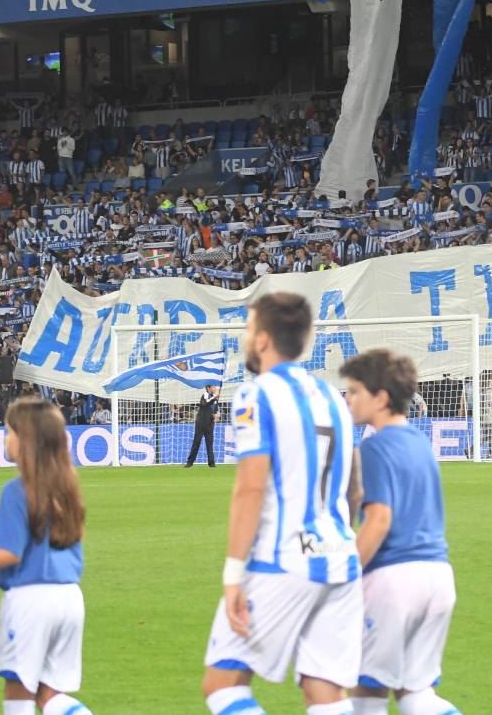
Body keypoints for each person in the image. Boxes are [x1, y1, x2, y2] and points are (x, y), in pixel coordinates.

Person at [201, 292, 363, 715]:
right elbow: (354, 489)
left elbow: (250, 488)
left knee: (224, 685)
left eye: (249, 328)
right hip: (341, 557)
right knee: (325, 694)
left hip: (284, 559)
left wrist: (233, 574)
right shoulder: (335, 399)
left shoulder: (256, 395)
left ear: (262, 339)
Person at [339, 350, 459, 715]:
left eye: (355, 391)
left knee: (367, 694)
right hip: (438, 577)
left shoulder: (375, 447)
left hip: (395, 580)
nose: (348, 398)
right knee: (416, 694)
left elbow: (379, 521)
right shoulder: (421, 443)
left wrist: (346, 574)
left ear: (381, 398)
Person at [0, 397, 90, 715]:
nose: (5, 438)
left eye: (10, 432)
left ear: (28, 441)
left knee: (19, 687)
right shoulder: (68, 487)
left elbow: (8, 553)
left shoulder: (17, 489)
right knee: (49, 693)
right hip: (70, 599)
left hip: (31, 600)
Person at [185, 383, 219, 468]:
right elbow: (205, 404)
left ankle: (211, 464)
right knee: (196, 443)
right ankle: (190, 462)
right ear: (208, 388)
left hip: (210, 424)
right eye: (213, 386)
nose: (215, 388)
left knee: (210, 445)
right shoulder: (205, 395)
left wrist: (216, 416)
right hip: (201, 424)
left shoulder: (215, 399)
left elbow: (214, 410)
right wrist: (215, 397)